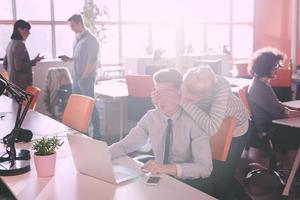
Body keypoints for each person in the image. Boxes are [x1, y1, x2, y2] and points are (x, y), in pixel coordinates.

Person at [152, 66, 249, 198]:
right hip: (207, 125)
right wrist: (160, 103)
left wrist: (182, 101)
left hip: (235, 129)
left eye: (190, 100)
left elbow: (211, 127)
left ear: (204, 96)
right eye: (182, 93)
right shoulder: (189, 81)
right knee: (214, 175)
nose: (185, 99)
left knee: (223, 178)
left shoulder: (221, 88)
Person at [109, 69, 212, 187]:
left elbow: (205, 168)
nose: (160, 99)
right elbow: (125, 145)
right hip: (159, 177)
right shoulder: (151, 117)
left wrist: (166, 168)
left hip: (186, 181)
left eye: (167, 93)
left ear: (180, 93)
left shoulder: (194, 122)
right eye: (157, 92)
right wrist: (100, 155)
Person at [247, 47, 300, 147]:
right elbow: (282, 113)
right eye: (275, 66)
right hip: (270, 130)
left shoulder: (261, 82)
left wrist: (296, 110)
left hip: (272, 124)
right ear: (266, 67)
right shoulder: (260, 88)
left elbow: (276, 104)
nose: (277, 69)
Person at [59, 14, 100, 139]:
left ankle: (97, 135)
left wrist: (84, 77)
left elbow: (92, 61)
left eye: (72, 26)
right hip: (77, 78)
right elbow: (79, 58)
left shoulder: (91, 39)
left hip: (85, 79)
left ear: (79, 23)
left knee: (90, 106)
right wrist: (69, 59)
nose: (71, 28)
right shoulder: (77, 39)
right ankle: (83, 135)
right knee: (79, 107)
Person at [3, 19, 44, 90]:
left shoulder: (10, 43)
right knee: (23, 101)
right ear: (19, 29)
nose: (29, 33)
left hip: (12, 83)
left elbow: (5, 64)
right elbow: (19, 67)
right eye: (27, 30)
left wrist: (13, 74)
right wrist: (35, 60)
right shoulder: (20, 44)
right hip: (21, 86)